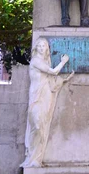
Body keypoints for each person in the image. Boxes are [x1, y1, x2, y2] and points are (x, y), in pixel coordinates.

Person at [20, 38, 73, 168]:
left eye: (44, 46)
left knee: (43, 126)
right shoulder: (36, 61)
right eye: (39, 45)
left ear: (47, 49)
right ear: (36, 48)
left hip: (46, 95)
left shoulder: (45, 62)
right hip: (36, 97)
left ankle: (37, 159)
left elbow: (50, 80)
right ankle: (31, 156)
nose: (42, 48)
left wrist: (63, 80)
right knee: (36, 126)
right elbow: (53, 71)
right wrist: (63, 62)